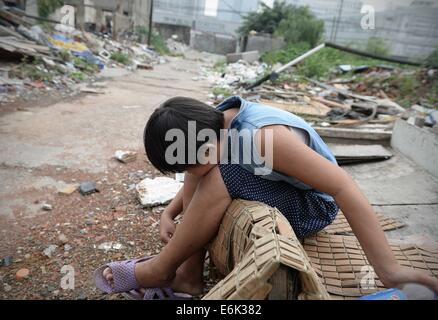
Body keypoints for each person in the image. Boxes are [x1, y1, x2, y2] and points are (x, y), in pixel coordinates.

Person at [94, 96, 438, 299]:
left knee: (220, 172)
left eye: (190, 161)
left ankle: (160, 270)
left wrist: (388, 269)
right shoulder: (214, 124)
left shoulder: (262, 138)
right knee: (211, 170)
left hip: (314, 207)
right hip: (275, 188)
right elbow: (194, 171)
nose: (191, 169)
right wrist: (170, 213)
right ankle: (187, 277)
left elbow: (343, 188)